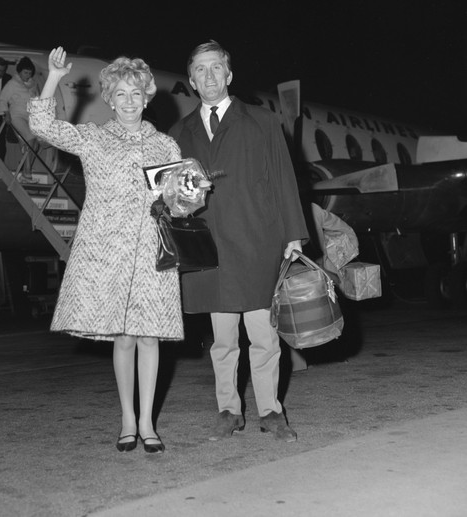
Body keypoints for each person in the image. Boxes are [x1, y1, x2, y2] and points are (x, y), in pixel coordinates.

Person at [28, 47, 184, 454]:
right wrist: (53, 77)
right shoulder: (94, 138)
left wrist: (190, 192)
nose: (129, 101)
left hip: (152, 249)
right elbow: (42, 124)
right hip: (107, 250)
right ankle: (127, 420)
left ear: (147, 98)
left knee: (150, 337)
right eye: (121, 94)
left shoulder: (166, 146)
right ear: (109, 99)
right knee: (124, 339)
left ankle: (149, 423)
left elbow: (179, 204)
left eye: (137, 94)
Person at [169, 40, 309, 442]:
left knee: (264, 336)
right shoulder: (179, 133)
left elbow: (284, 178)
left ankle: (270, 411)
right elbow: (171, 195)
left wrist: (294, 234)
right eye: (200, 70)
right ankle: (229, 410)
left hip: (257, 240)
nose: (209, 76)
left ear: (229, 76)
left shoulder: (263, 122)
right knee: (223, 340)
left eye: (216, 68)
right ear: (192, 81)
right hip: (209, 247)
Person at [0, 56, 41, 182]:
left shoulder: (33, 85)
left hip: (30, 117)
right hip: (16, 116)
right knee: (30, 139)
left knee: (35, 145)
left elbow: (37, 101)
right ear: (19, 71)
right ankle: (27, 173)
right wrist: (5, 114)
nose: (27, 75)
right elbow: (2, 99)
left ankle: (25, 170)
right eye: (25, 73)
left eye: (29, 73)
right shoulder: (12, 84)